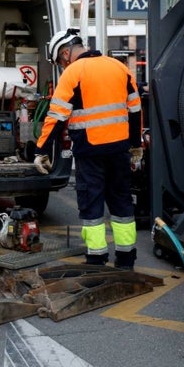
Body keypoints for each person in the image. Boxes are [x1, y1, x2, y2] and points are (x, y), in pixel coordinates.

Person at [34, 28, 143, 270]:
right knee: (122, 203)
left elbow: (56, 116)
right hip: (119, 149)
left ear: (65, 52)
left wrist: (41, 149)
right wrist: (136, 146)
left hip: (90, 151)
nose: (63, 66)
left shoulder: (74, 72)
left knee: (91, 203)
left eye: (60, 62)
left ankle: (96, 258)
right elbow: (135, 111)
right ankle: (126, 259)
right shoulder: (119, 67)